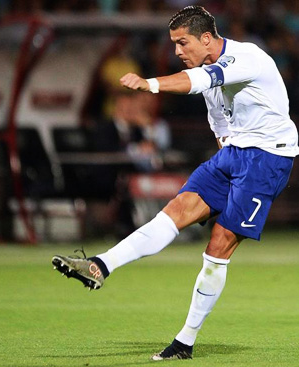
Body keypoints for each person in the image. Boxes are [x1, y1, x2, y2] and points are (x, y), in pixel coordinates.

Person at [52, 5, 298, 361]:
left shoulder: (247, 57)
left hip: (268, 158)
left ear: (207, 38)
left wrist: (149, 84)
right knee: (175, 210)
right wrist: (226, 160)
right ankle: (100, 266)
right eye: (174, 44)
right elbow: (221, 125)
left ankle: (184, 341)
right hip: (233, 154)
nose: (178, 52)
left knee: (218, 244)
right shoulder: (206, 72)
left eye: (183, 43)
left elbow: (200, 82)